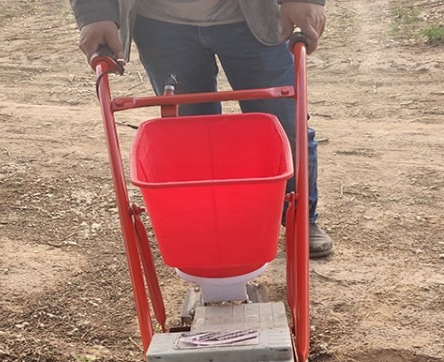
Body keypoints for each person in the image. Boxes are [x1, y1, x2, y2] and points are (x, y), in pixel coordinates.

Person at [70, 0, 334, 259]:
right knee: (190, 135)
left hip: (255, 18)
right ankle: (211, 225)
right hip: (161, 23)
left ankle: (300, 218)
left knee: (286, 124)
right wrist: (94, 11)